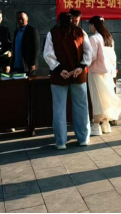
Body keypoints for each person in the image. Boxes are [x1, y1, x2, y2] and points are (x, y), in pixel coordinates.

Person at [43, 12, 93, 150]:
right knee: (81, 106)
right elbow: (89, 52)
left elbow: (48, 55)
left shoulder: (52, 33)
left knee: (59, 108)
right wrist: (81, 67)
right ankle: (83, 138)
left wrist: (59, 69)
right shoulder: (80, 32)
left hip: (59, 76)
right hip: (78, 75)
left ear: (58, 21)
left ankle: (61, 142)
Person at [87, 16, 121, 136]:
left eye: (90, 25)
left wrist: (83, 63)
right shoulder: (108, 38)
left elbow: (91, 57)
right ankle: (106, 124)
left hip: (96, 72)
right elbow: (113, 57)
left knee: (97, 99)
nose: (90, 27)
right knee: (106, 98)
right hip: (108, 72)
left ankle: (96, 126)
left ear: (94, 25)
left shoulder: (94, 38)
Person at [12, 11, 40, 76]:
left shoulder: (32, 30)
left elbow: (36, 48)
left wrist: (33, 63)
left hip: (28, 65)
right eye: (18, 19)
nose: (20, 21)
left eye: (22, 18)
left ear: (27, 18)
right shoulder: (16, 31)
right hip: (17, 64)